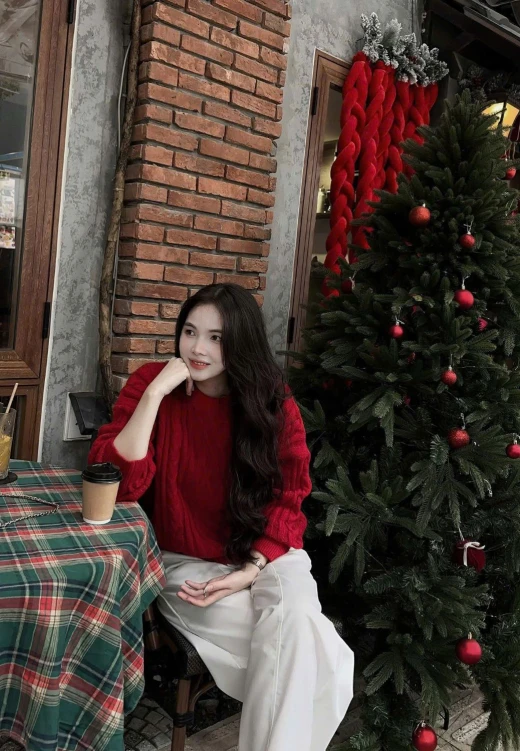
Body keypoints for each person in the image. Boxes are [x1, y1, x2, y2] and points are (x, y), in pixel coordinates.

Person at [89, 283, 354, 751]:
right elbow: (118, 484)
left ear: (240, 343)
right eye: (190, 332)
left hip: (268, 553)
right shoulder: (152, 384)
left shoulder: (272, 401)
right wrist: (155, 394)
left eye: (216, 338)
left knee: (294, 625)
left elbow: (290, 495)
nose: (198, 348)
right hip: (186, 562)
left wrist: (252, 568)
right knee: (317, 658)